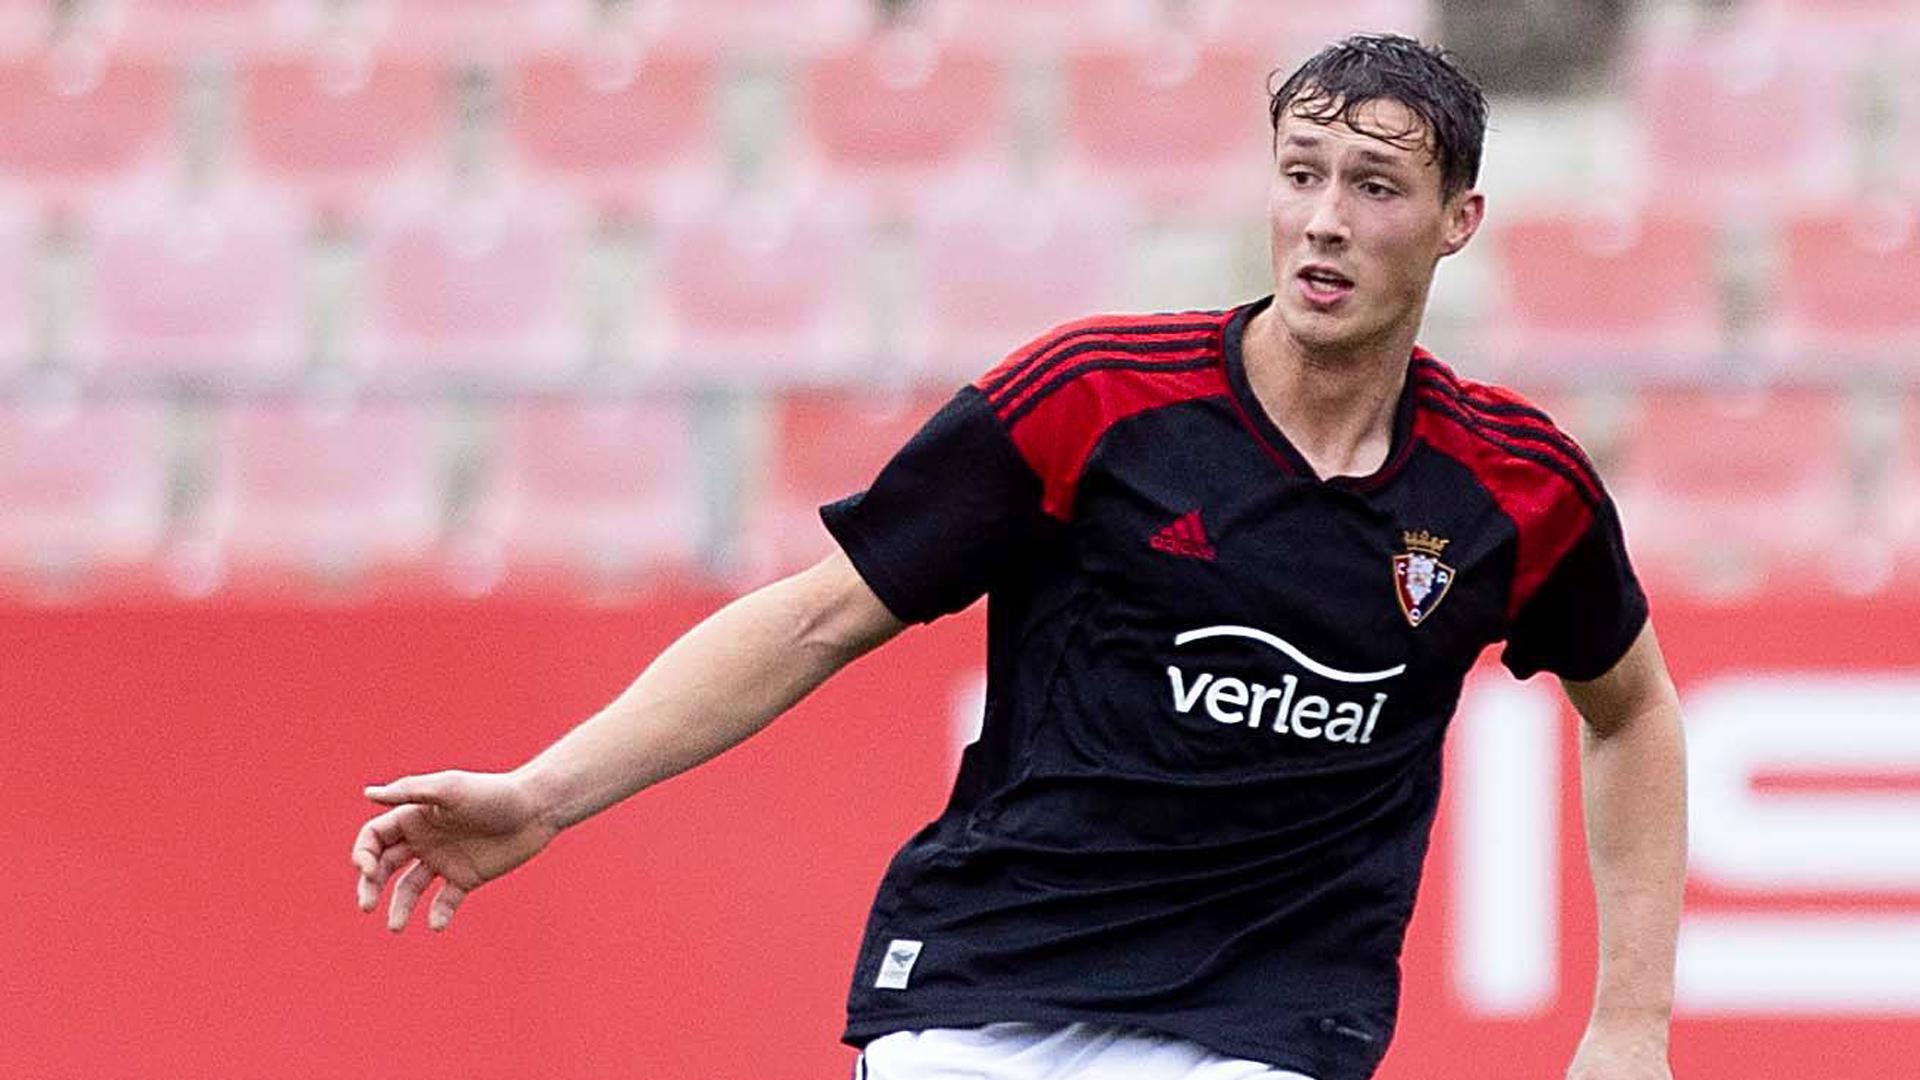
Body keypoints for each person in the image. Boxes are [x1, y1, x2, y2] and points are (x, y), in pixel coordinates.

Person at [351, 34, 1686, 1080]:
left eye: (1376, 187)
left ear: (1459, 218)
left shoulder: (1517, 486)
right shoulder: (1091, 398)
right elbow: (816, 620)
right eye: (1300, 175)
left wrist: (1628, 1025)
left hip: (1265, 1028)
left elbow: (1630, 712)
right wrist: (543, 795)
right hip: (988, 988)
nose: (1326, 220)